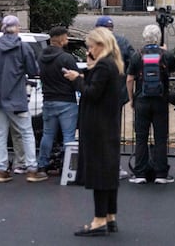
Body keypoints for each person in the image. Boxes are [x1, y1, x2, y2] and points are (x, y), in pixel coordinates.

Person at [63, 26, 122, 236]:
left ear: (100, 45)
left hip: (98, 129)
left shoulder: (104, 67)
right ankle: (110, 216)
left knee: (99, 175)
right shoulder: (111, 65)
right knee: (108, 173)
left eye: (90, 47)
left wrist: (77, 79)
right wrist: (86, 71)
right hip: (107, 126)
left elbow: (92, 93)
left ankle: (99, 220)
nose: (89, 51)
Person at [0, 15, 46, 183]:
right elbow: (33, 70)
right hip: (16, 97)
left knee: (0, 134)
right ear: (16, 28)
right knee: (26, 132)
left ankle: (1, 169)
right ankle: (32, 168)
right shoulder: (22, 47)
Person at [126, 24, 175, 184]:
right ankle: (161, 173)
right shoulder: (166, 55)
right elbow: (173, 69)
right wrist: (165, 51)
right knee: (160, 137)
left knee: (141, 137)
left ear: (144, 38)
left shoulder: (137, 55)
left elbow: (129, 79)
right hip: (161, 100)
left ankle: (140, 172)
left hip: (141, 99)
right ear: (158, 38)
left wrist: (132, 98)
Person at [94, 15, 134, 179]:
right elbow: (133, 61)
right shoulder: (122, 42)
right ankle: (113, 167)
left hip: (97, 92)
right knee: (113, 131)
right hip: (116, 93)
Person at [37, 26, 79, 175]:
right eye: (66, 37)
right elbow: (76, 79)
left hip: (48, 99)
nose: (67, 39)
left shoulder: (41, 57)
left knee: (48, 134)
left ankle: (42, 165)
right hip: (67, 100)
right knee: (68, 136)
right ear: (61, 40)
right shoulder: (66, 58)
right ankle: (68, 168)